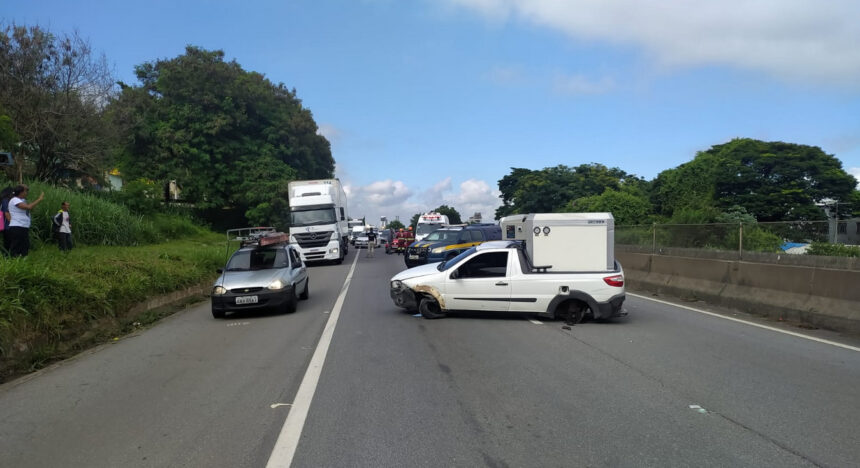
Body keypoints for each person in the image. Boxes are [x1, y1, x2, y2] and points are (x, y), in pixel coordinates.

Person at [7, 184, 44, 257]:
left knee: (25, 245)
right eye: (25, 191)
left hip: (23, 226)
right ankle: (13, 259)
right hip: (17, 226)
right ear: (21, 192)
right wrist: (39, 199)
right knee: (16, 245)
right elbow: (29, 207)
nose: (27, 193)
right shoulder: (14, 200)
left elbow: (29, 207)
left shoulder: (22, 200)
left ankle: (23, 259)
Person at [0, 186, 11, 255]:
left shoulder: (1, 201)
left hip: (2, 224)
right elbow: (7, 214)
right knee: (7, 242)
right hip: (7, 225)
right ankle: (7, 255)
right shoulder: (6, 201)